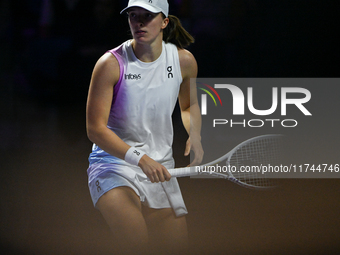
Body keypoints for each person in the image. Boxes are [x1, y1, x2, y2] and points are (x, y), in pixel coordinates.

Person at [86, 0, 203, 254]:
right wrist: (141, 159)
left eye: (148, 16)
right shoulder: (110, 64)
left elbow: (187, 106)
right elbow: (95, 129)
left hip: (161, 168)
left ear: (164, 22)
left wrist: (195, 134)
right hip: (114, 165)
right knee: (135, 242)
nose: (139, 22)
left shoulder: (184, 61)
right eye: (133, 15)